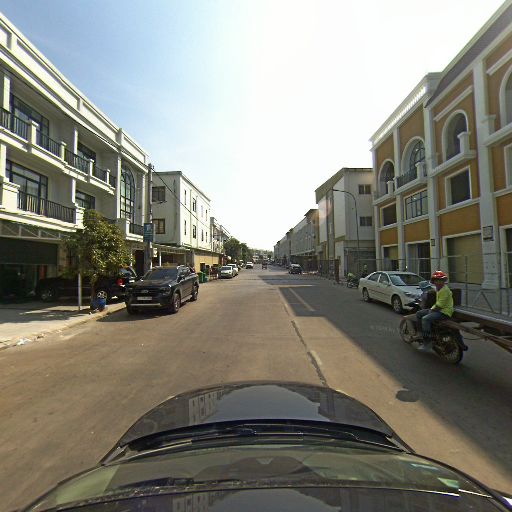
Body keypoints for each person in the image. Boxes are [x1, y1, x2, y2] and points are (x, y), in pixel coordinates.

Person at [416, 270, 454, 350]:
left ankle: (428, 342)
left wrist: (431, 311)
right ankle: (421, 333)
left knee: (425, 319)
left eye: (441, 280)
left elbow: (439, 306)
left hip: (444, 312)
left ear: (443, 281)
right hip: (438, 309)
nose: (438, 282)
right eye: (437, 280)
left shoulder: (444, 290)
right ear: (434, 281)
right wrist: (431, 309)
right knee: (419, 313)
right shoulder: (438, 289)